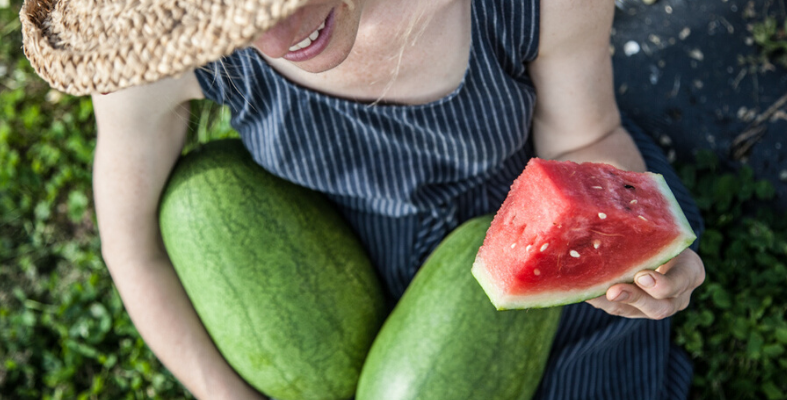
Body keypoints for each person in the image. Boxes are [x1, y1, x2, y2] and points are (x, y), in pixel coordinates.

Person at [21, 0, 706, 398]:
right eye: (232, 19)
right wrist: (225, 395)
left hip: (523, 214)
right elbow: (132, 249)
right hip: (337, 243)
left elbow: (586, 139)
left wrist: (639, 252)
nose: (279, 40)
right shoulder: (165, 49)